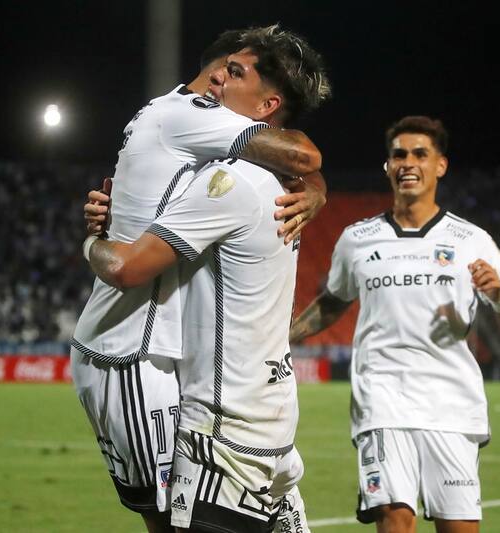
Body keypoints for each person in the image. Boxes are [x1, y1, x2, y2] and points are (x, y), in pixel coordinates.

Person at [72, 26, 329, 533]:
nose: (219, 79)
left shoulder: (205, 143)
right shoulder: (187, 117)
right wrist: (92, 242)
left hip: (164, 357)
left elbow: (297, 162)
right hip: (128, 350)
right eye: (226, 68)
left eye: (237, 73)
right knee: (170, 523)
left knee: (184, 521)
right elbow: (301, 156)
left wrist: (316, 189)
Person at [289, 116, 500, 533]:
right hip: (382, 399)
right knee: (395, 517)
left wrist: (495, 297)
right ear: (387, 167)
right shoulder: (357, 238)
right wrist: (282, 335)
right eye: (398, 154)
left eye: (421, 153)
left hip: (452, 405)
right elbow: (333, 303)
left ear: (441, 165)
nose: (408, 162)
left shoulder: (471, 239)